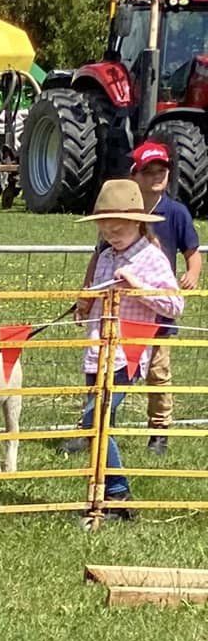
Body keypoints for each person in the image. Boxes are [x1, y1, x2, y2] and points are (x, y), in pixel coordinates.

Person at [70, 178, 183, 521]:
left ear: (138, 223)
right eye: (105, 228)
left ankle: (118, 494)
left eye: (118, 228)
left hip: (126, 354)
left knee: (95, 418)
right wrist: (85, 305)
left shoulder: (152, 258)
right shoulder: (105, 256)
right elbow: (99, 289)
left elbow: (175, 305)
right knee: (100, 426)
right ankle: (102, 496)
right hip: (97, 351)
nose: (111, 235)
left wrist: (138, 287)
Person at [129, 139, 201, 453]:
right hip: (125, 308)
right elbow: (100, 253)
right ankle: (92, 427)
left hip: (159, 307)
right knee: (109, 368)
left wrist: (193, 273)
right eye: (149, 172)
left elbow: (193, 252)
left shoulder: (176, 212)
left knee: (158, 371)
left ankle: (159, 430)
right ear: (135, 175)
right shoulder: (125, 210)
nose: (156, 176)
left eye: (162, 171)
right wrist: (87, 293)